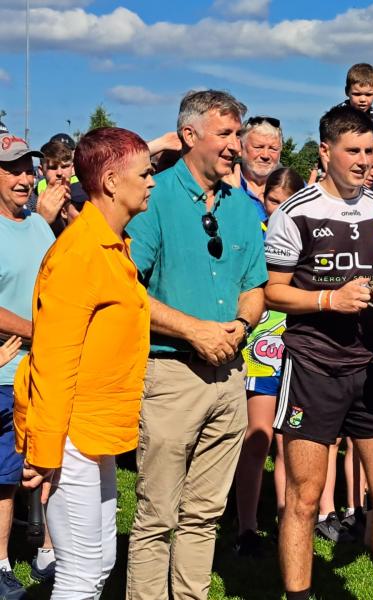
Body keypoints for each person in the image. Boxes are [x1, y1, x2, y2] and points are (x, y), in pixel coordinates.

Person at [125, 90, 267, 600]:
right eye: (225, 134)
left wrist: (241, 325)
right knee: (157, 514)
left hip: (229, 375)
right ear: (189, 136)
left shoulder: (241, 208)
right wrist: (192, 330)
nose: (236, 145)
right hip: (170, 375)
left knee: (205, 514)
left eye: (238, 134)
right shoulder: (153, 198)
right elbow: (127, 289)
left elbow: (255, 285)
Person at [265, 105, 373, 600]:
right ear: (326, 152)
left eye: (371, 150)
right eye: (353, 151)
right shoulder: (294, 213)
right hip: (313, 367)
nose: (365, 161)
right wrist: (329, 299)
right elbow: (273, 292)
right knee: (303, 499)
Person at [16, 127, 153, 597]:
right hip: (70, 435)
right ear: (112, 181)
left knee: (101, 561)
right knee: (79, 574)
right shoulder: (79, 254)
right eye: (145, 173)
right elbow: (52, 361)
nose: (151, 181)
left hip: (96, 432)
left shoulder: (112, 246)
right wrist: (46, 453)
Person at [234, 167, 304, 557]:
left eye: (286, 201)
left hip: (297, 343)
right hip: (260, 344)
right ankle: (246, 525)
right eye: (273, 200)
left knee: (290, 439)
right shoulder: (253, 235)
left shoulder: (305, 233)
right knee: (257, 434)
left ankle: (289, 518)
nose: (278, 208)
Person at [0, 133, 56, 597]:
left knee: (47, 463)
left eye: (26, 169)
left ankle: (47, 552)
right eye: (12, 169)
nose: (23, 178)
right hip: (5, 372)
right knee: (3, 476)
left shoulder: (39, 224)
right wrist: (40, 331)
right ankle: (0, 563)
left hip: (46, 372)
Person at [239, 115, 283, 204]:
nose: (265, 155)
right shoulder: (224, 187)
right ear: (241, 149)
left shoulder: (295, 188)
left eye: (273, 149)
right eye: (258, 147)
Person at [337, 63, 373, 144]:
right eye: (357, 94)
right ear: (347, 92)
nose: (362, 99)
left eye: (368, 94)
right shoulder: (337, 114)